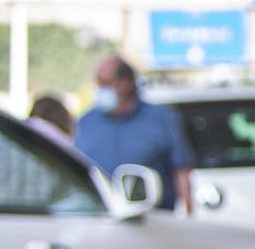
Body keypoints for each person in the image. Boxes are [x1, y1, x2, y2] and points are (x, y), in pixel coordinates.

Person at [73, 55, 195, 211]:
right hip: (99, 218)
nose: (100, 91)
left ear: (125, 83)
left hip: (152, 219)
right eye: (99, 84)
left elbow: (181, 171)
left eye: (105, 84)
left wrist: (187, 214)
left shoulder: (161, 119)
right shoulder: (85, 123)